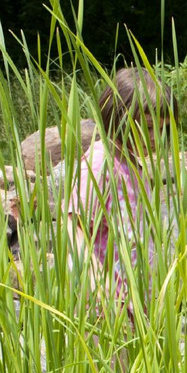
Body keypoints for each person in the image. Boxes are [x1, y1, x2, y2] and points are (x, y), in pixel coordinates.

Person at [67, 66, 176, 301]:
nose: (156, 138)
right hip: (103, 306)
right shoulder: (100, 163)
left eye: (163, 129)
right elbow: (73, 226)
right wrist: (99, 282)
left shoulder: (134, 167)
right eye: (147, 127)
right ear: (116, 116)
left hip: (133, 300)